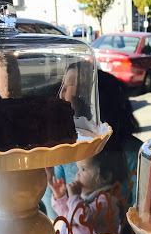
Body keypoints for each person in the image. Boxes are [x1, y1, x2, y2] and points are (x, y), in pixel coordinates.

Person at [43, 70, 143, 221]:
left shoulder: (134, 154)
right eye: (62, 85)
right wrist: (47, 179)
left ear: (95, 99)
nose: (60, 93)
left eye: (70, 84)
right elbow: (57, 217)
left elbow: (141, 216)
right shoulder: (66, 148)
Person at [49, 147, 127, 234]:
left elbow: (84, 218)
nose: (77, 174)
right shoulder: (84, 196)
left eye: (83, 169)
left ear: (106, 176)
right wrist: (60, 197)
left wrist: (74, 197)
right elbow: (68, 215)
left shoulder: (108, 201)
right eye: (78, 169)